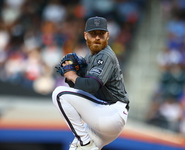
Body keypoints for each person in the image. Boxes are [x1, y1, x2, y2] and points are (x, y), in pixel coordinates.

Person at [52, 16, 130, 150]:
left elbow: (91, 86)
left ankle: (84, 141)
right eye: (93, 34)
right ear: (85, 35)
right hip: (102, 117)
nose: (97, 37)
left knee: (59, 94)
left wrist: (72, 76)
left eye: (101, 33)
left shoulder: (104, 55)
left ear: (108, 35)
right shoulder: (91, 56)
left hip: (111, 112)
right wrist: (74, 77)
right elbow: (83, 86)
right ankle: (85, 143)